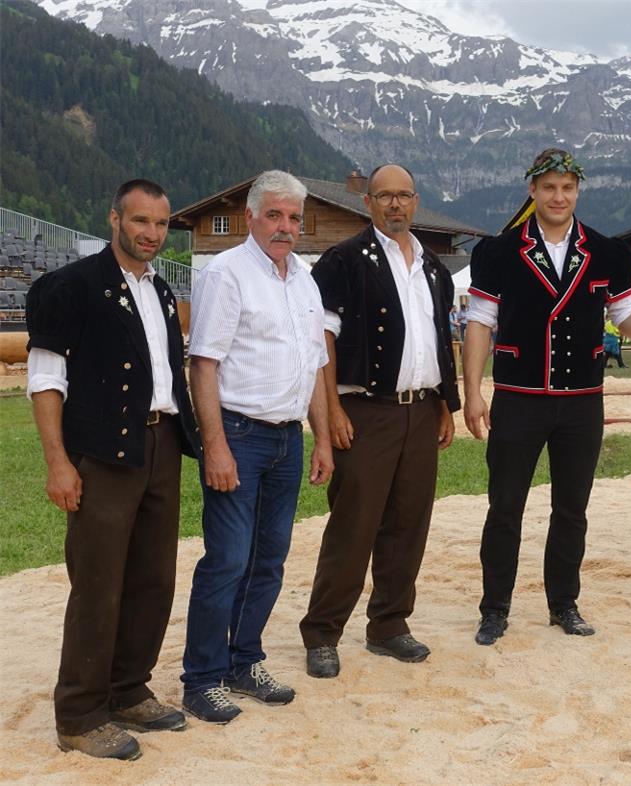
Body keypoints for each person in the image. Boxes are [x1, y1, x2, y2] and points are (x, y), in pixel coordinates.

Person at [26, 179, 201, 760]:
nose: (152, 233)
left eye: (161, 224)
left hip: (161, 447)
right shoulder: (68, 287)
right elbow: (46, 379)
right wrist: (58, 462)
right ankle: (79, 714)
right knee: (99, 584)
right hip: (101, 454)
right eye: (140, 221)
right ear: (114, 220)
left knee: (153, 579)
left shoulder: (160, 289)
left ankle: (128, 690)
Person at [463, 148, 631, 645]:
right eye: (549, 187)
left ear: (577, 192)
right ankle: (495, 608)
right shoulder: (499, 253)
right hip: (519, 397)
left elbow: (627, 319)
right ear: (533, 191)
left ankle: (563, 604)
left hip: (583, 401)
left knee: (572, 509)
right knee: (505, 507)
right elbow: (479, 324)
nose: (558, 196)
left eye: (567, 188)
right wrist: (473, 392)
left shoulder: (608, 253)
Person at [181, 170, 334, 724]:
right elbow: (204, 364)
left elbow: (315, 366)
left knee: (268, 559)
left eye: (294, 217)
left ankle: (243, 661)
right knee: (227, 559)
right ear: (250, 216)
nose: (285, 227)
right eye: (274, 215)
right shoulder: (227, 273)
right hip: (239, 435)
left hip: (287, 438)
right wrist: (215, 446)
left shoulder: (304, 280)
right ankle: (200, 679)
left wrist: (321, 440)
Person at [298, 164, 460, 679]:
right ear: (367, 202)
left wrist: (443, 403)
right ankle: (323, 633)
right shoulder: (343, 260)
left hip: (420, 409)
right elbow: (320, 343)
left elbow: (437, 340)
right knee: (353, 525)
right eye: (384, 196)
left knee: (408, 524)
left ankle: (389, 625)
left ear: (416, 201)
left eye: (404, 196)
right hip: (365, 410)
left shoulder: (433, 267)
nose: (395, 205)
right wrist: (332, 411)